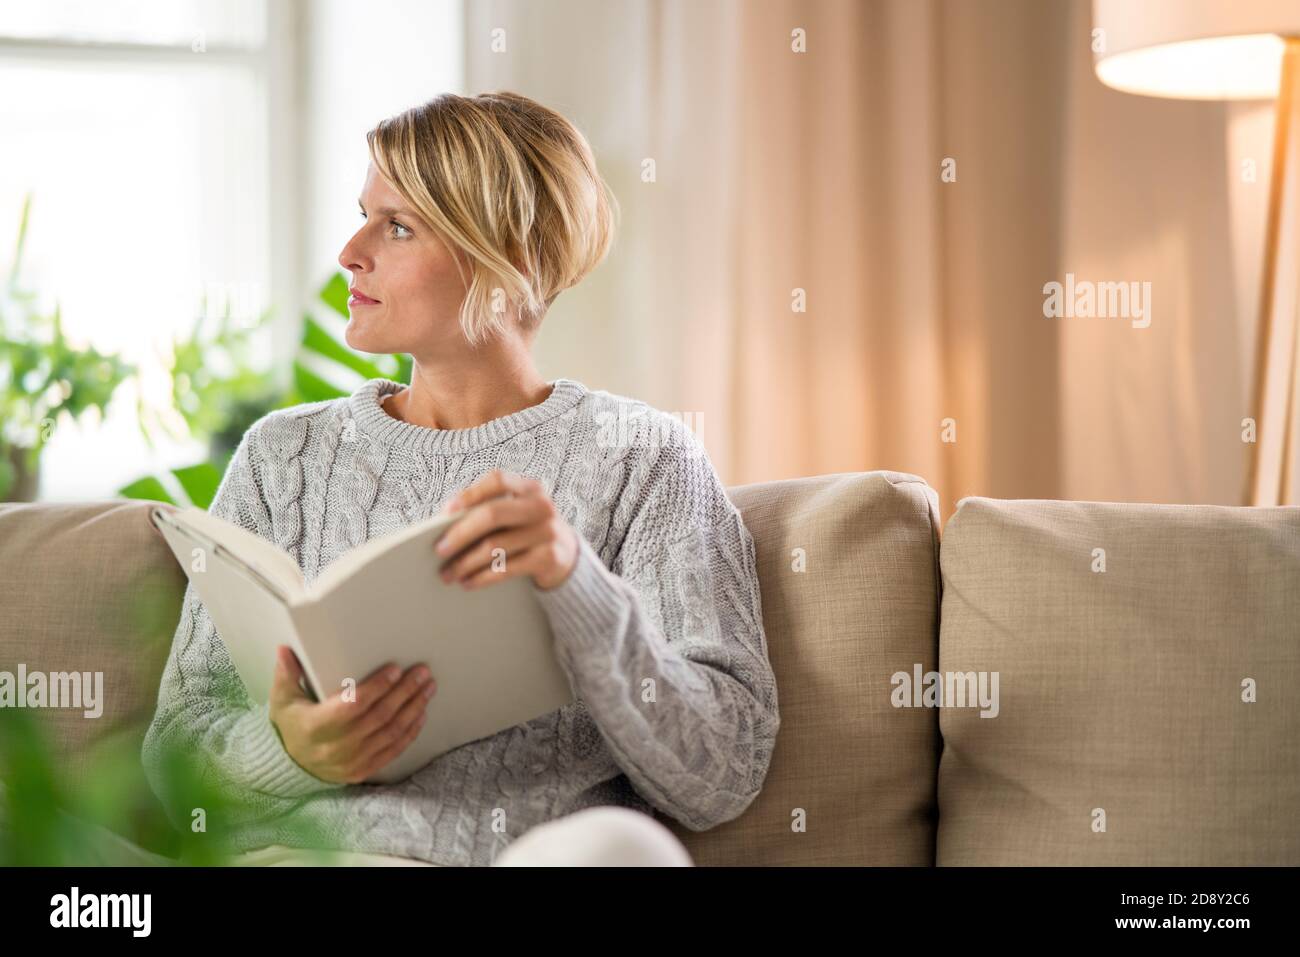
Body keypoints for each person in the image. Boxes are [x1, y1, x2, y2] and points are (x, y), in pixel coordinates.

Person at [141, 91, 780, 867]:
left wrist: (580, 589)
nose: (350, 250)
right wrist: (292, 750)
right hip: (314, 861)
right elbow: (174, 757)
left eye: (398, 226)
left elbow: (724, 769)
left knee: (625, 848)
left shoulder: (646, 457)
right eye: (363, 213)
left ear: (505, 258)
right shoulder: (284, 457)